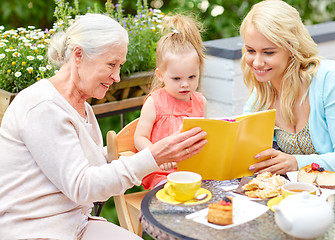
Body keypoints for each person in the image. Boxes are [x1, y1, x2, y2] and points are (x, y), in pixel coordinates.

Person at [0, 13, 207, 240]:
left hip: (76, 226)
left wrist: (134, 156)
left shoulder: (83, 108)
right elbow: (82, 186)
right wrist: (153, 156)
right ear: (78, 55)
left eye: (120, 66)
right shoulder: (42, 107)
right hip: (33, 231)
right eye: (111, 64)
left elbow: (92, 168)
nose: (117, 77)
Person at [240, 0, 335, 187]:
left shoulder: (330, 78)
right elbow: (245, 154)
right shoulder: (260, 95)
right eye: (250, 50)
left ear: (292, 48)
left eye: (268, 52)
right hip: (300, 196)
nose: (256, 62)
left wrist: (295, 163)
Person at [134, 14, 207, 189]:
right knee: (172, 193)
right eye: (176, 78)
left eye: (192, 77)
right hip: (161, 173)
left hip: (193, 171)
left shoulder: (200, 101)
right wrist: (158, 155)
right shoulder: (155, 102)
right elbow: (139, 137)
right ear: (161, 75)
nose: (185, 84)